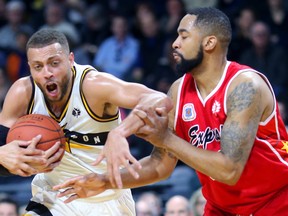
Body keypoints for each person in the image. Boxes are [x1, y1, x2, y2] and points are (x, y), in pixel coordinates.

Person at [53, 7, 288, 216]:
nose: (175, 43)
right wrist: (105, 182)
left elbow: (229, 170)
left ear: (209, 43)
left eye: (184, 36)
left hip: (275, 202)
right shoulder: (178, 90)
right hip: (222, 207)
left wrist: (166, 138)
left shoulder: (245, 86)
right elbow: (160, 165)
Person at [0, 28, 170, 216]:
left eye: (54, 63)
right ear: (30, 67)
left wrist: (119, 132)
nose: (47, 73)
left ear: (71, 59)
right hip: (52, 198)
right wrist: (2, 155)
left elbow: (160, 100)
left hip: (107, 199)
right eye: (38, 67)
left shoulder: (94, 85)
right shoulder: (22, 92)